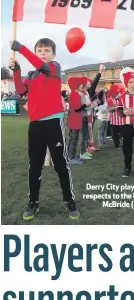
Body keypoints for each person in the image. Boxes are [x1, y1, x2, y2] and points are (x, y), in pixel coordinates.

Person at [9, 37, 79, 220]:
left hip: (53, 122)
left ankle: (69, 200)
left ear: (53, 54)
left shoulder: (54, 67)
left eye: (47, 51)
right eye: (39, 51)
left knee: (61, 164)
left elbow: (43, 66)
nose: (43, 54)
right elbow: (20, 91)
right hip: (35, 124)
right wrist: (16, 71)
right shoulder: (32, 75)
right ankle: (33, 202)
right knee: (35, 166)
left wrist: (22, 49)